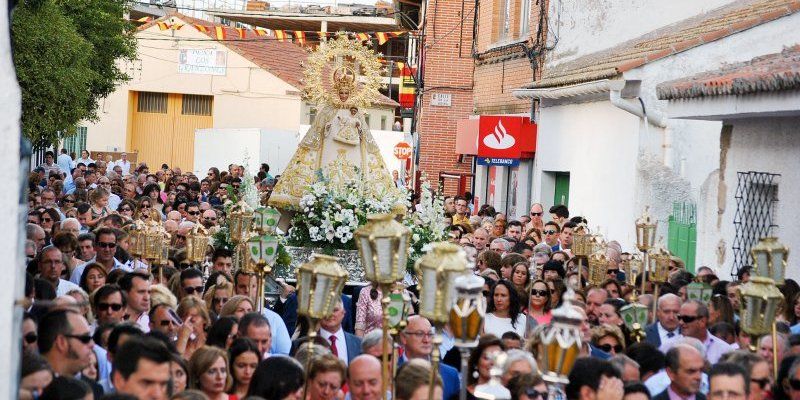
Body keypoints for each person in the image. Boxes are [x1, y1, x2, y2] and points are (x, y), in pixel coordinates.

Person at [399, 315, 460, 400]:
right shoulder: (391, 369)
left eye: (430, 334)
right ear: (404, 337)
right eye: (419, 334)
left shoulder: (450, 374)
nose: (426, 340)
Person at [38, 309, 95, 377]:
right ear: (61, 342)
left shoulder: (91, 386)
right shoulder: (28, 384)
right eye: (85, 338)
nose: (92, 345)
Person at [679, 300, 733, 364]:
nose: (681, 322)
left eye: (686, 319)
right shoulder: (669, 346)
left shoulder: (724, 350)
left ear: (702, 321)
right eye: (679, 318)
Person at [318, 298, 362, 365]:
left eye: (335, 310)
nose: (330, 314)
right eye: (326, 310)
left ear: (343, 312)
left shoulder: (358, 343)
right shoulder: (304, 343)